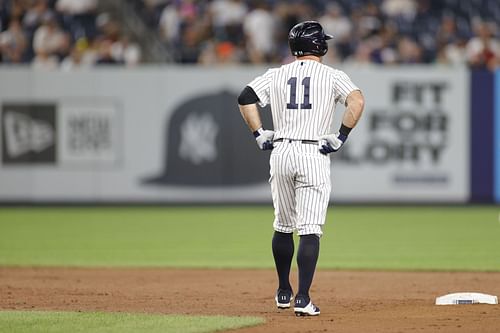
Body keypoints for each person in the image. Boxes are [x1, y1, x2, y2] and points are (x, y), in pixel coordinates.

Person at [237, 21, 364, 316]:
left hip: (281, 150)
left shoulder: (277, 73)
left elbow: (245, 97)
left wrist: (259, 133)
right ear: (320, 46)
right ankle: (303, 298)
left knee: (282, 225)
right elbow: (356, 101)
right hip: (313, 151)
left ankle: (283, 291)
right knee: (309, 229)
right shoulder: (332, 75)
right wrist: (341, 136)